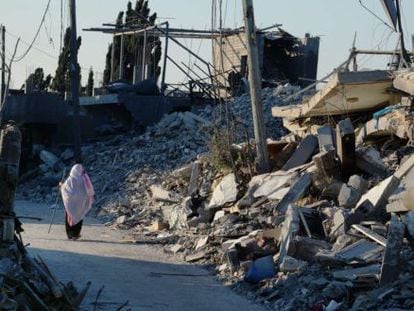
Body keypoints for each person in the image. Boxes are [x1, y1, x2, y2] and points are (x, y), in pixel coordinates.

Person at [59, 164, 95, 240]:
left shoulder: (70, 180)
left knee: (69, 218)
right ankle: (75, 234)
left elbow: (65, 189)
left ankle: (70, 235)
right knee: (79, 218)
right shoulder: (84, 179)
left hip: (71, 205)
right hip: (80, 204)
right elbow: (89, 190)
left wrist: (61, 186)